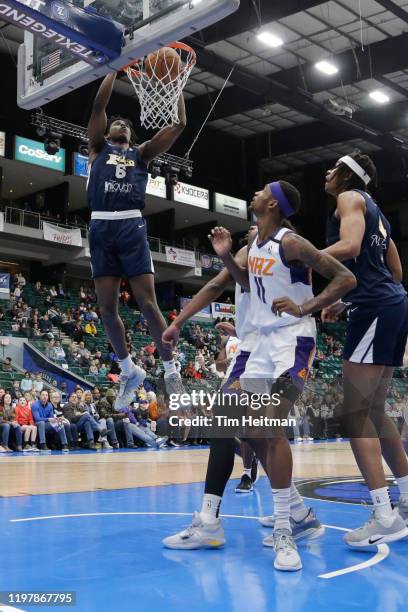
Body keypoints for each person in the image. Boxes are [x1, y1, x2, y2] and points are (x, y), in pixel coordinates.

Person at [163, 180, 356, 571]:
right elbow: (244, 283)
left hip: (292, 342)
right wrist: (223, 261)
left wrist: (307, 308)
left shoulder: (291, 243)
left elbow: (344, 279)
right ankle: (294, 516)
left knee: (267, 427)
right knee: (233, 423)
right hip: (259, 347)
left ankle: (285, 528)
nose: (252, 194)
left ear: (272, 203)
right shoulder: (253, 248)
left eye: (260, 191)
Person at [322, 150, 408, 547]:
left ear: (345, 175)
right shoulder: (379, 212)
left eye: (332, 168)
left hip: (376, 308)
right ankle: (405, 496)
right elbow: (396, 271)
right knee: (374, 409)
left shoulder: (348, 199)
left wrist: (302, 255)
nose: (326, 173)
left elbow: (352, 246)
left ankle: (384, 514)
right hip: (393, 303)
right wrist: (346, 300)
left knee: (354, 413)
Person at [87, 71, 187, 411]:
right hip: (100, 227)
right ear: (107, 132)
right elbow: (99, 105)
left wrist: (175, 86)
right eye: (116, 122)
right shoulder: (97, 148)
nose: (122, 124)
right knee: (106, 308)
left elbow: (179, 125)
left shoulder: (141, 154)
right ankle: (129, 370)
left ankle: (171, 370)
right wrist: (113, 70)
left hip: (130, 226)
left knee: (147, 304)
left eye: (126, 124)